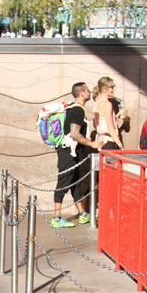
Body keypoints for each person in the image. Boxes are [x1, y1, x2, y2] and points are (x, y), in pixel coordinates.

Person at [52, 82, 103, 228]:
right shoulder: (78, 110)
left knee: (75, 183)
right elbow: (74, 133)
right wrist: (92, 143)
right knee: (64, 181)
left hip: (72, 152)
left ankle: (82, 214)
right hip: (68, 151)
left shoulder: (72, 109)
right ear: (81, 93)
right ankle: (56, 217)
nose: (89, 92)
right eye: (87, 90)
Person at [92, 77, 123, 150]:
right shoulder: (107, 104)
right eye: (111, 87)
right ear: (104, 90)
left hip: (100, 141)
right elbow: (110, 128)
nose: (113, 89)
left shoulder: (97, 102)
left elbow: (95, 124)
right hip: (109, 141)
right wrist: (120, 145)